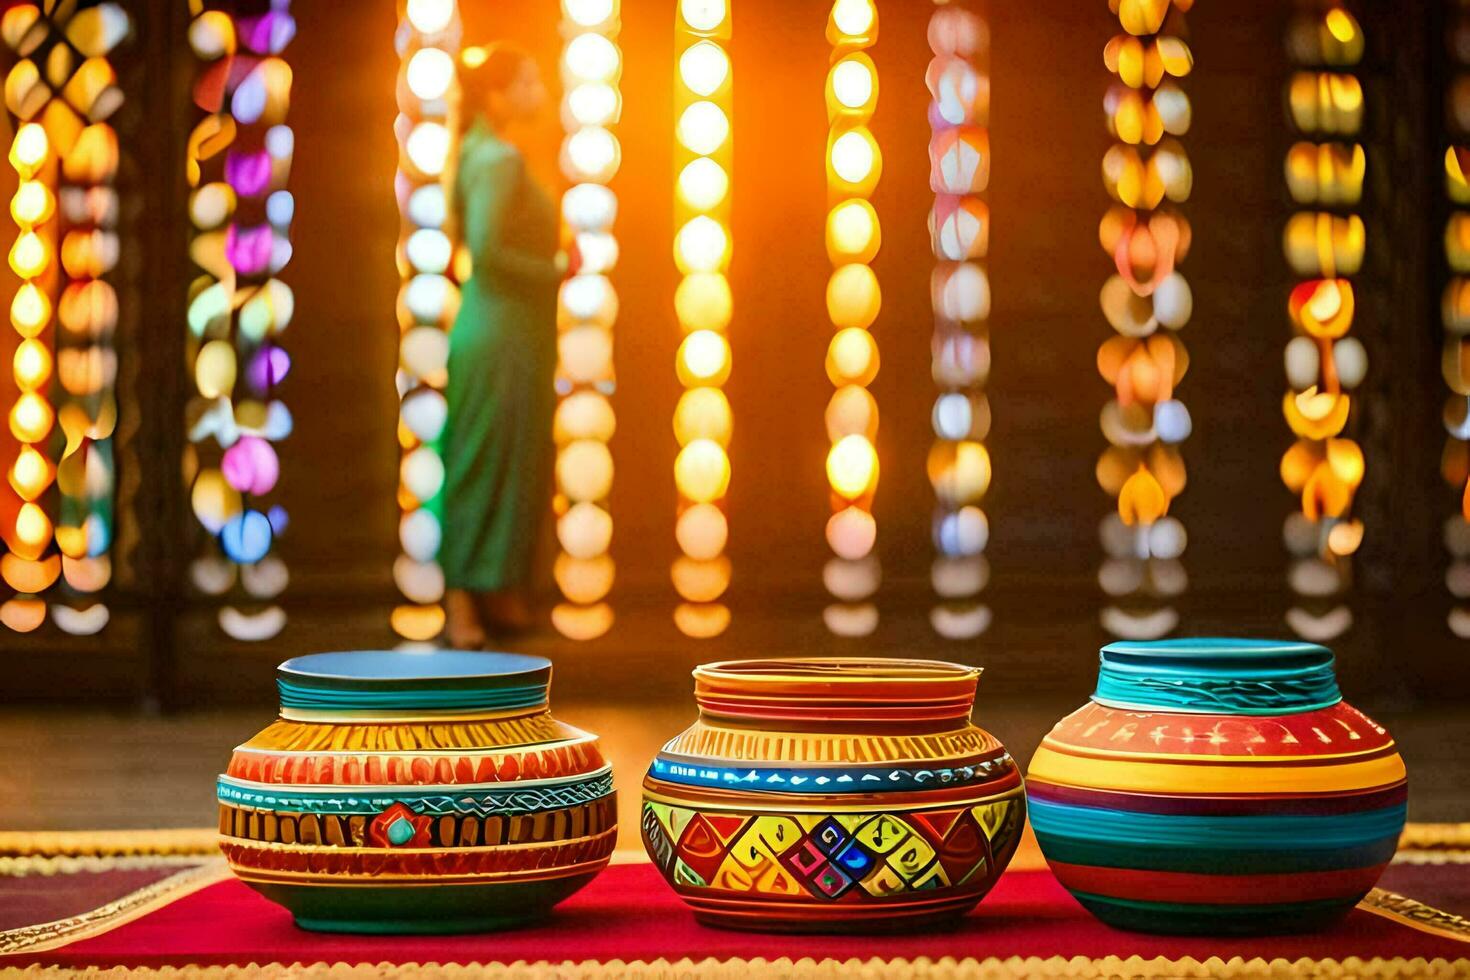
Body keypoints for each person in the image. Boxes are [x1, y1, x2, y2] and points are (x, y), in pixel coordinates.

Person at [440, 44, 564, 648]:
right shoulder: (498, 159)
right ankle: (463, 598)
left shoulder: (479, 153)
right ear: (498, 93)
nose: (539, 89)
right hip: (501, 331)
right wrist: (557, 269)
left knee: (512, 459)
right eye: (529, 79)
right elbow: (486, 253)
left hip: (511, 331)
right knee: (482, 461)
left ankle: (496, 589)